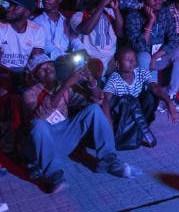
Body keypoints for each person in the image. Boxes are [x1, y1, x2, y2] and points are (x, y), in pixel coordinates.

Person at [22, 53, 138, 193]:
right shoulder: (29, 93)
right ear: (34, 75)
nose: (48, 69)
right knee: (38, 124)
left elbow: (98, 99)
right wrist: (65, 86)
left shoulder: (63, 86)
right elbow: (40, 115)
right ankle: (54, 175)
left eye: (50, 65)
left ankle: (108, 159)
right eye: (42, 69)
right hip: (43, 146)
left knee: (94, 109)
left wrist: (91, 82)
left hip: (64, 137)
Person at [123, 0, 179, 112]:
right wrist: (150, 21)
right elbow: (139, 47)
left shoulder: (164, 13)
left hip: (158, 56)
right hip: (141, 61)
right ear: (143, 1)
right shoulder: (133, 17)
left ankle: (170, 94)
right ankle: (153, 96)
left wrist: (156, 56)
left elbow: (174, 39)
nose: (158, 1)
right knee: (144, 56)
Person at [102, 47, 178, 150]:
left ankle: (141, 129)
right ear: (117, 64)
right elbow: (105, 99)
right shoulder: (114, 79)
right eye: (128, 60)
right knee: (126, 100)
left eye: (133, 59)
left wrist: (169, 101)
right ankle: (131, 134)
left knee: (150, 96)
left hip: (139, 115)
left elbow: (154, 87)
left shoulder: (141, 72)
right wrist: (108, 127)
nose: (132, 62)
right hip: (124, 118)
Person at [0, 0, 46, 83]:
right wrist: (15, 74)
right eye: (10, 5)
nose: (9, 9)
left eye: (16, 7)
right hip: (4, 71)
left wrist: (27, 74)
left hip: (25, 71)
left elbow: (36, 59)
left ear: (27, 13)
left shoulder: (37, 29)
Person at [69, 0, 123, 76]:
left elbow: (120, 32)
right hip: (91, 59)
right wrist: (102, 4)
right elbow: (86, 30)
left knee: (125, 61)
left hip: (111, 58)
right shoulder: (78, 16)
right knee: (94, 69)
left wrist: (116, 9)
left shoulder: (109, 12)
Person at [30, 0, 83, 79]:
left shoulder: (66, 21)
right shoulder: (36, 21)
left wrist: (82, 51)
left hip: (67, 59)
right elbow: (45, 44)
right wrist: (61, 57)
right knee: (64, 68)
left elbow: (74, 40)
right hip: (47, 61)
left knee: (85, 66)